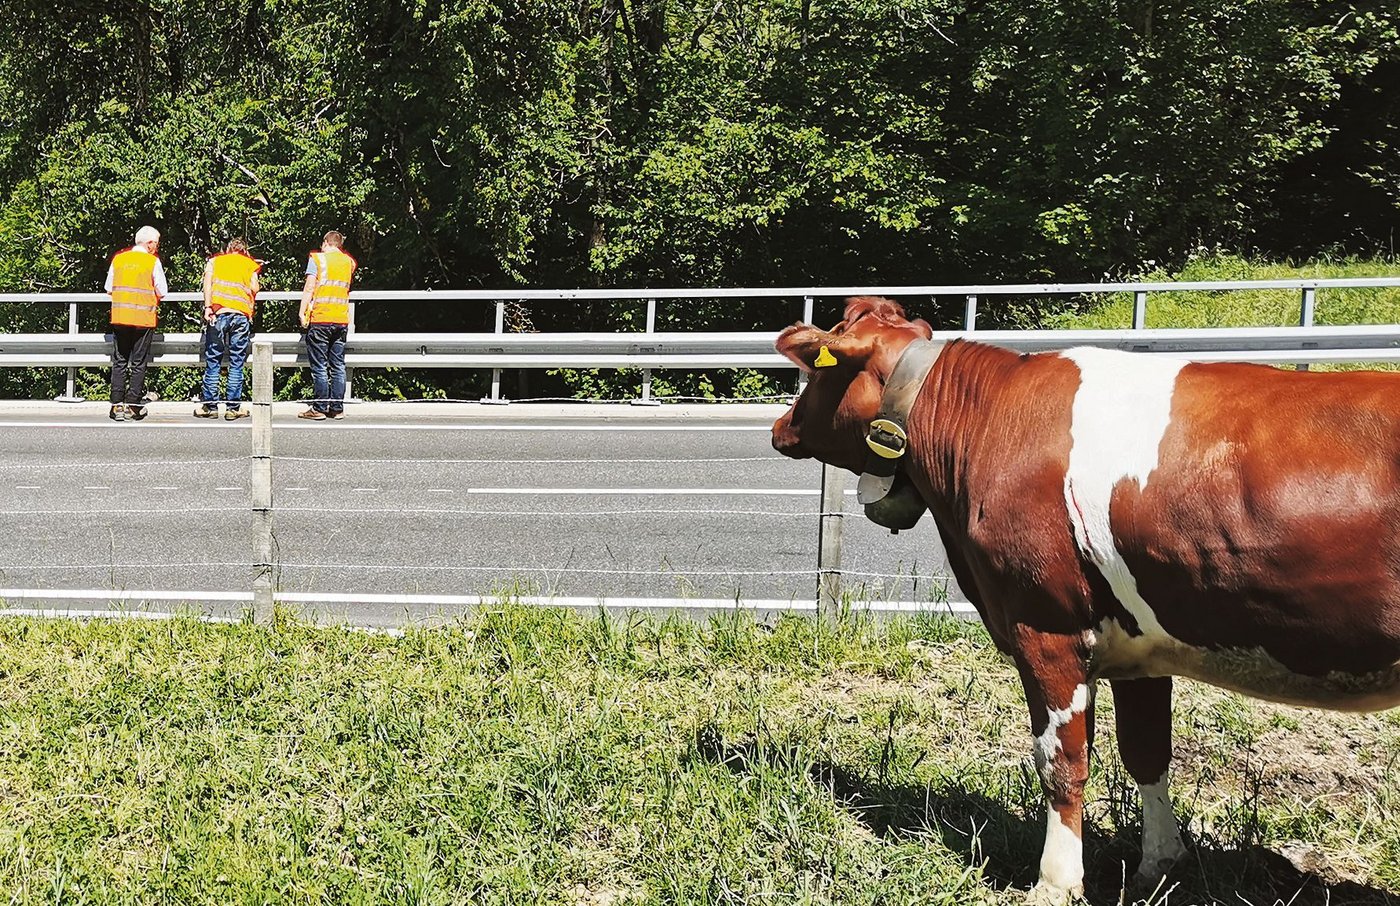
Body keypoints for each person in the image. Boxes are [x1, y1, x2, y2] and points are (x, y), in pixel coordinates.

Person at [105, 225, 167, 421]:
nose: (156, 247)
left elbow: (109, 288)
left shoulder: (119, 259)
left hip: (121, 317)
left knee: (120, 361)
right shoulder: (152, 262)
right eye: (156, 243)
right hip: (143, 319)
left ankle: (116, 406)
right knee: (139, 363)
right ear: (149, 244)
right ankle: (133, 405)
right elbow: (162, 291)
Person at [195, 238, 260, 420]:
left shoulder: (215, 262)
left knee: (213, 360)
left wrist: (208, 307)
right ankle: (233, 408)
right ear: (243, 250)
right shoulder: (249, 264)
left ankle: (210, 406)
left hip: (218, 313)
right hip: (240, 315)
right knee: (236, 362)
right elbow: (255, 287)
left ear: (228, 249)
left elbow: (207, 285)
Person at [298, 230, 356, 420]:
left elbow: (309, 287)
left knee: (320, 366)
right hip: (340, 319)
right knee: (338, 365)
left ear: (326, 243)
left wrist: (302, 311)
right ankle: (337, 408)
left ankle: (319, 408)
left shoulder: (318, 259)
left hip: (321, 318)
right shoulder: (349, 262)